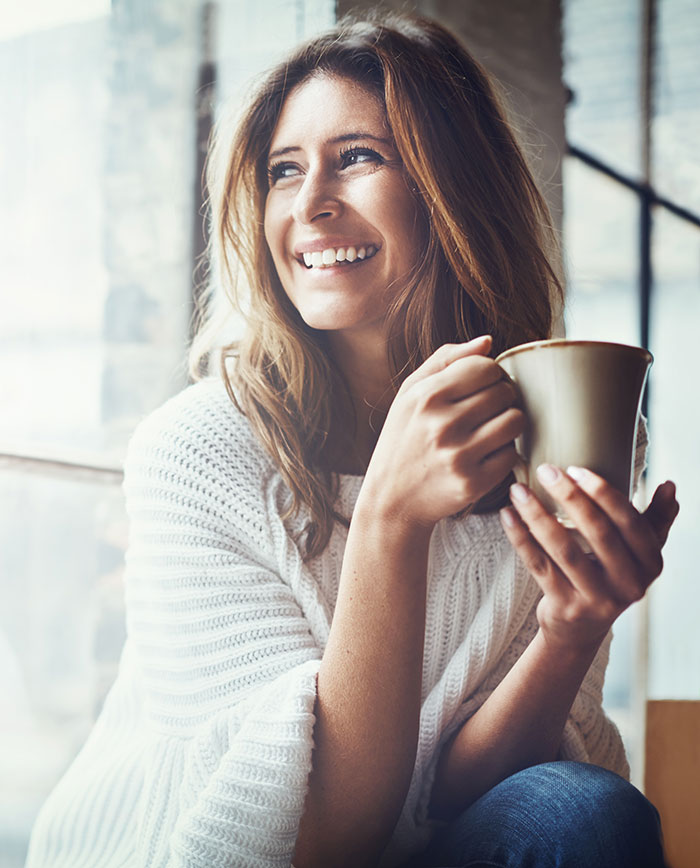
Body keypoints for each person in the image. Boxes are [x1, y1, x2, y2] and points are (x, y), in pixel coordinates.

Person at [26, 11, 679, 868]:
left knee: (583, 811)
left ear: (456, 190)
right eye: (283, 171)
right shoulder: (197, 451)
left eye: (359, 157)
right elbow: (319, 841)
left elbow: (454, 801)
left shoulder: (547, 440)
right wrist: (388, 520)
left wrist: (570, 627)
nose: (309, 204)